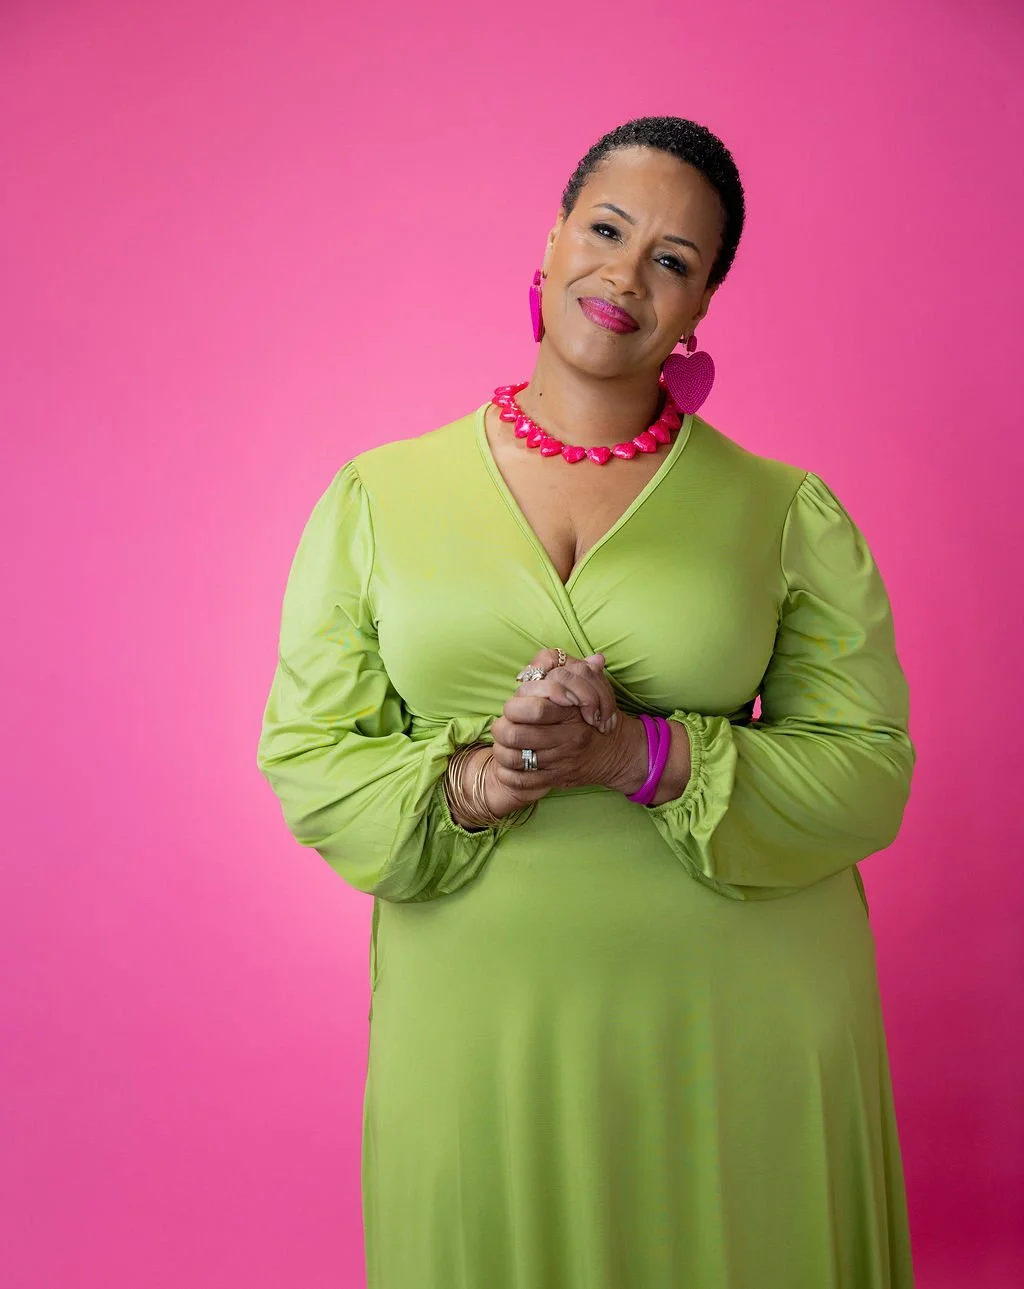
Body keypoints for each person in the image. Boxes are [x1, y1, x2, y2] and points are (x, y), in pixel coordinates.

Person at [256, 115, 916, 1289]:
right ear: (553, 236)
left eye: (672, 258)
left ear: (702, 304)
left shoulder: (783, 509)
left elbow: (868, 771)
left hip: (745, 1018)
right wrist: (481, 777)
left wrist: (637, 752)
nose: (624, 272)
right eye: (606, 229)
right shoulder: (376, 495)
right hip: (480, 1016)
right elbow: (307, 751)